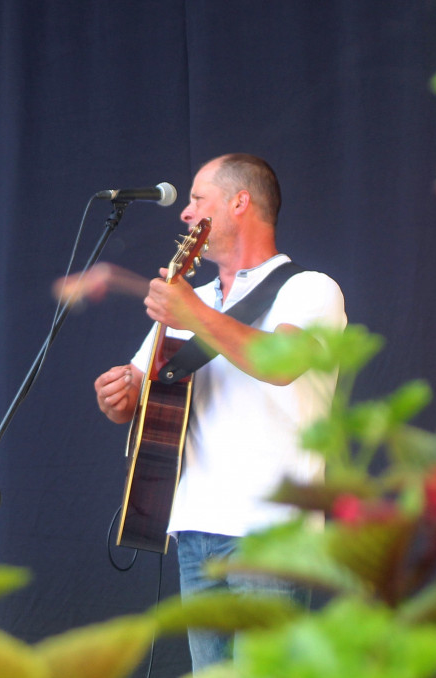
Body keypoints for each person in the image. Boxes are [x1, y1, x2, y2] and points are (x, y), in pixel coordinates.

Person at [93, 154, 346, 670]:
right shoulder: (193, 298)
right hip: (196, 528)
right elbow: (141, 397)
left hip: (273, 529)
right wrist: (118, 395)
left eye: (196, 198)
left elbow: (280, 365)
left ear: (239, 202)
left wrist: (194, 315)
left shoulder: (310, 289)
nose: (185, 213)